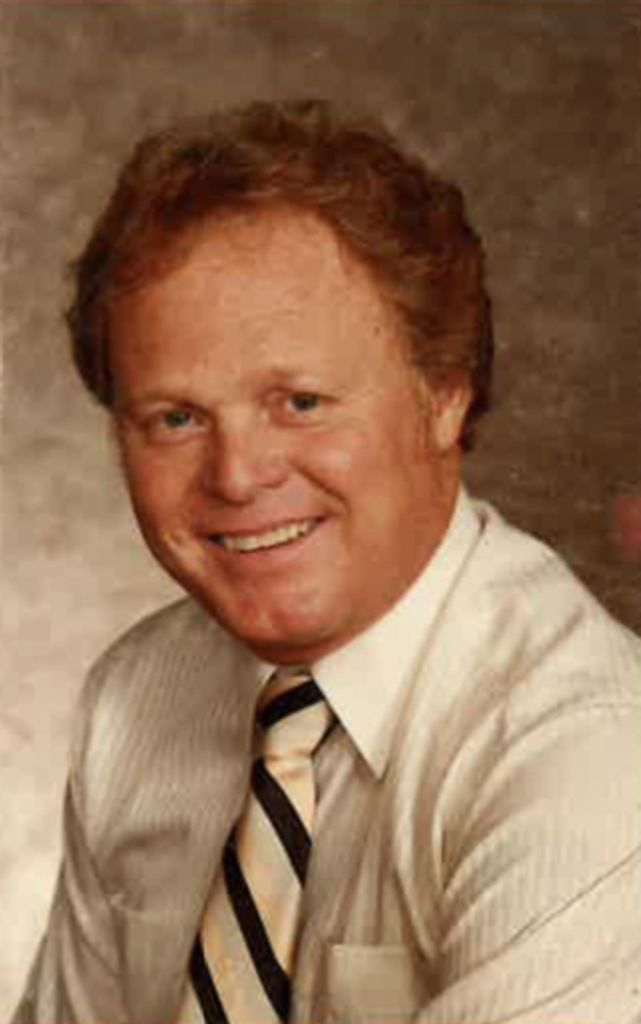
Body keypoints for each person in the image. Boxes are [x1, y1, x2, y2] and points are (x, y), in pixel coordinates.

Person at [14, 99, 641, 1024]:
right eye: (175, 419)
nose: (237, 475)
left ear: (444, 394)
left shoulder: (589, 753)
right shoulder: (140, 698)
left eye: (299, 403)